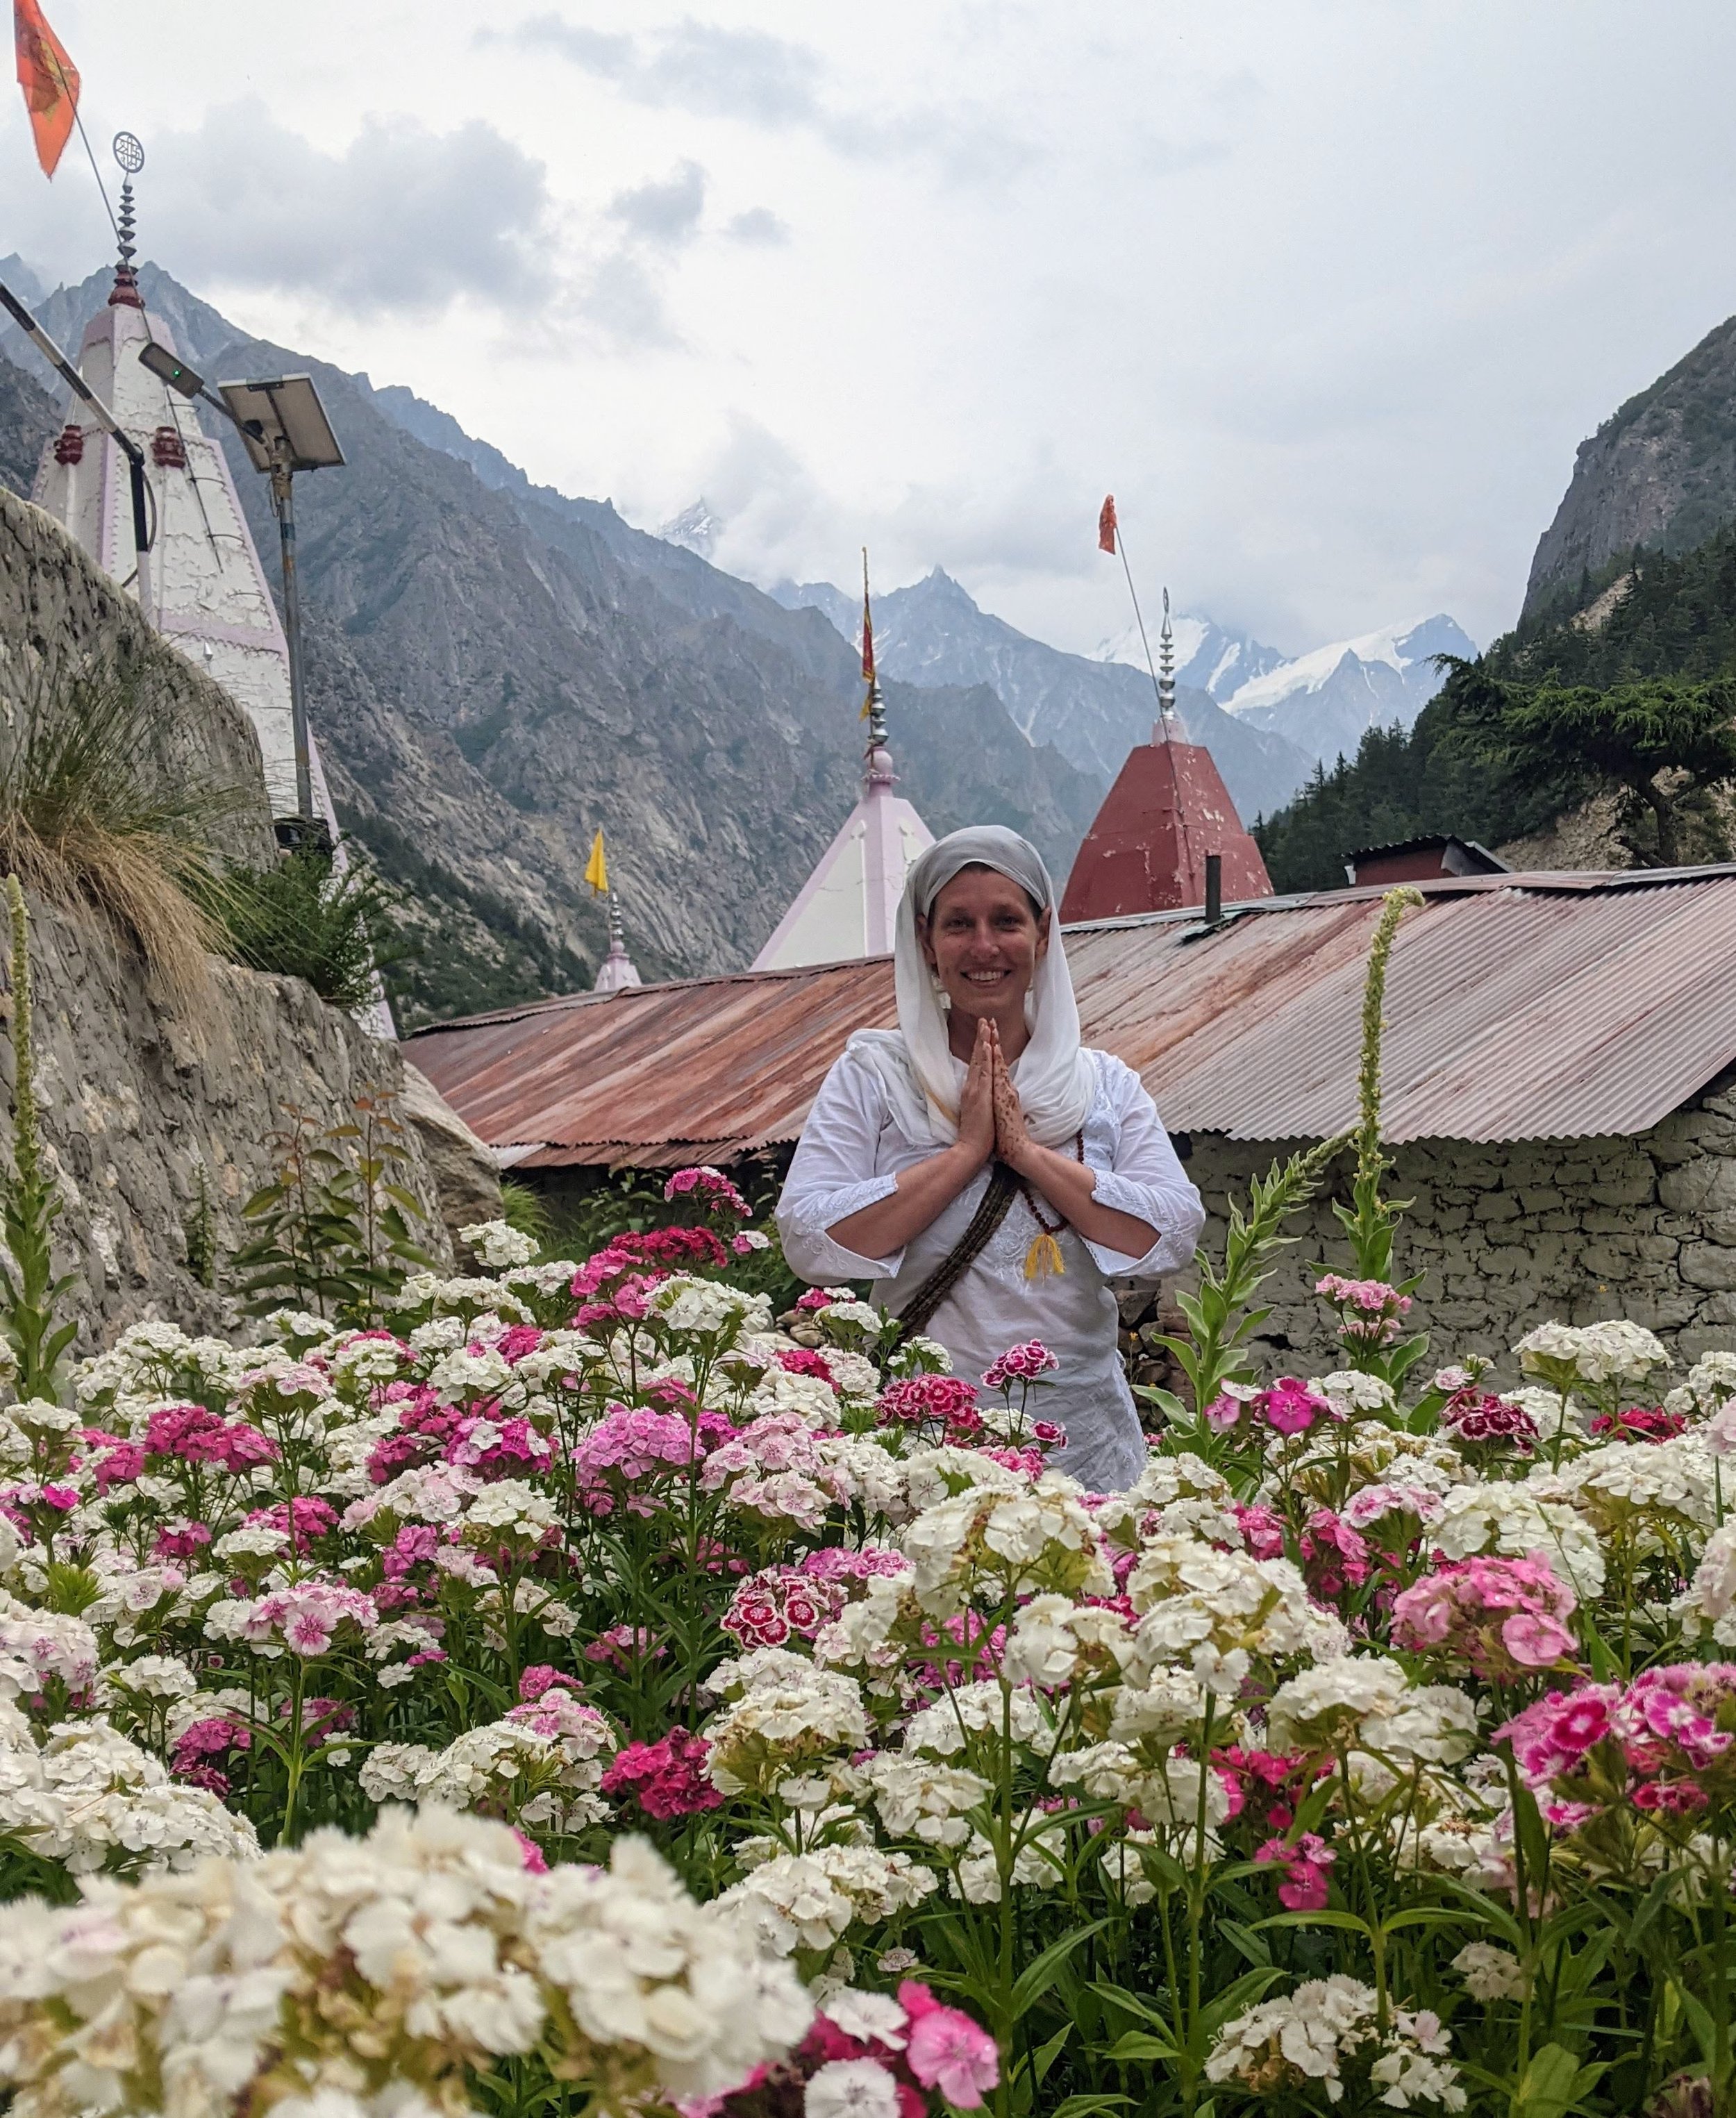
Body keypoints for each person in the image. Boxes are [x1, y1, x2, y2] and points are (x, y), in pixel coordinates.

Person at [776, 825, 1204, 1492]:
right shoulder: (876, 1077)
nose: (983, 947)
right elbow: (809, 1239)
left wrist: (1029, 1155)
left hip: (1083, 1441)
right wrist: (966, 1153)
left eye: (1006, 921)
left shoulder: (1101, 1085)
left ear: (1042, 933)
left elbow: (1172, 1231)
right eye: (958, 924)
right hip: (930, 1438)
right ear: (926, 940)